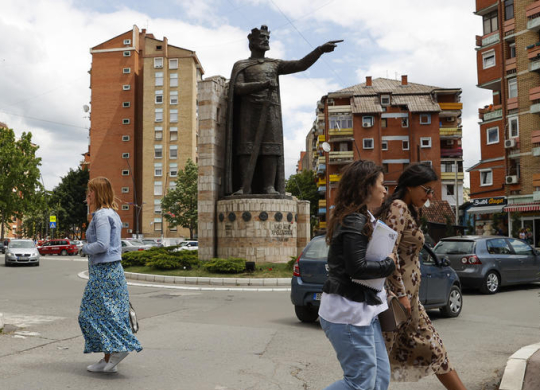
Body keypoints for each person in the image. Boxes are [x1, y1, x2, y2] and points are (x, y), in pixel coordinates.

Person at [376, 163, 466, 389]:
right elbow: (389, 254)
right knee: (381, 360)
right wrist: (401, 295)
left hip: (410, 300)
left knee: (436, 351)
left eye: (431, 191)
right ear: (409, 185)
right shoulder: (398, 207)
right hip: (398, 301)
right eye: (426, 190)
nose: (429, 196)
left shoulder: (409, 209)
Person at [224, 25, 340, 196]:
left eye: (267, 38)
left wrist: (319, 50)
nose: (265, 40)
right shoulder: (242, 65)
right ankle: (243, 186)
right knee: (245, 148)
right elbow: (238, 88)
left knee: (271, 148)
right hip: (248, 113)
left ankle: (269, 187)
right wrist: (262, 85)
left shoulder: (274, 64)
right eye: (262, 38)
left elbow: (301, 65)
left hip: (271, 112)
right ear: (252, 42)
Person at [319, 160, 397, 390]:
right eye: (381, 184)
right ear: (366, 186)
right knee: (359, 383)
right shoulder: (354, 219)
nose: (385, 190)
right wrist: (389, 264)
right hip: (348, 313)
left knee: (380, 379)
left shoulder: (362, 218)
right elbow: (358, 269)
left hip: (365, 311)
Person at [79, 177, 142, 373]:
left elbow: (102, 245)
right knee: (106, 314)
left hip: (104, 272)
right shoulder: (111, 213)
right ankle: (107, 359)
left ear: (97, 193)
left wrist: (84, 248)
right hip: (109, 271)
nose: (87, 195)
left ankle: (120, 348)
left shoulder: (101, 216)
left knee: (88, 314)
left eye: (90, 191)